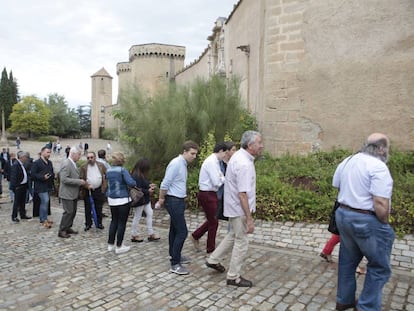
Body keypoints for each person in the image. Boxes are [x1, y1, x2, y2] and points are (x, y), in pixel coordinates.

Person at [333, 133, 394, 311]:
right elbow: (381, 203)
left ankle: (343, 301)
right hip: (366, 219)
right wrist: (385, 224)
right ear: (382, 149)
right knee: (379, 267)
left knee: (347, 262)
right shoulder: (378, 167)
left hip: (343, 215)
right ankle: (367, 306)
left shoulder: (348, 160)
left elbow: (337, 184)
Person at [205, 130, 264, 287]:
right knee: (242, 240)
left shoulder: (238, 156)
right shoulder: (244, 164)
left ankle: (213, 259)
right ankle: (233, 276)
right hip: (239, 210)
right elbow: (243, 194)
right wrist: (249, 219)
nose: (261, 146)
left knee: (233, 234)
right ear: (250, 145)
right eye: (259, 143)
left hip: (233, 207)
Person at [158, 140, 199, 275]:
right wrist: (161, 198)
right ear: (185, 152)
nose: (194, 156)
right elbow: (165, 183)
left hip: (178, 199)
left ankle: (174, 255)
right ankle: (175, 264)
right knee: (182, 231)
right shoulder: (176, 163)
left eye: (196, 154)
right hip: (173, 200)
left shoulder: (182, 164)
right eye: (192, 153)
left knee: (174, 230)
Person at [191, 142, 227, 254]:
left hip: (210, 193)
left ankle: (196, 235)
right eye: (225, 153)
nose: (225, 156)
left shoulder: (215, 161)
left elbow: (220, 177)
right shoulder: (212, 162)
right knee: (214, 222)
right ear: (220, 151)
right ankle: (210, 249)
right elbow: (217, 181)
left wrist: (221, 178)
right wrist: (222, 179)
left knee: (212, 220)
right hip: (207, 194)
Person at [106, 152, 136, 254]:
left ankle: (110, 245)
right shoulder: (122, 170)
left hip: (111, 199)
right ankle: (119, 246)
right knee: (121, 223)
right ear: (122, 161)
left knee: (114, 221)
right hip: (123, 199)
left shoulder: (108, 170)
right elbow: (131, 183)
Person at [57, 146, 86, 238]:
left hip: (73, 193)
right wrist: (79, 182)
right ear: (73, 154)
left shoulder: (73, 163)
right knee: (68, 212)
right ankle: (62, 230)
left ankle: (68, 227)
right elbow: (64, 179)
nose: (80, 157)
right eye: (79, 155)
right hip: (67, 193)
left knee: (73, 212)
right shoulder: (66, 163)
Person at [130, 158, 159, 243]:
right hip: (140, 200)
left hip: (145, 199)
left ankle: (151, 233)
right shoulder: (136, 176)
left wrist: (150, 185)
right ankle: (134, 234)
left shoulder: (140, 174)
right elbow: (137, 189)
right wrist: (148, 190)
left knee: (149, 213)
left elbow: (144, 184)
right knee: (137, 216)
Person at [80, 151, 107, 231]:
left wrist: (104, 185)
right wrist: (87, 185)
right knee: (88, 208)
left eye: (92, 157)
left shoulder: (101, 165)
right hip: (88, 190)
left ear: (95, 157)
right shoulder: (83, 167)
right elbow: (81, 179)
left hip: (99, 189)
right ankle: (88, 224)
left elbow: (106, 175)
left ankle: (99, 223)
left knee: (99, 207)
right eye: (88, 158)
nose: (90, 159)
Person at [31, 146, 55, 228]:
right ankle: (43, 219)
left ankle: (44, 218)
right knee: (45, 201)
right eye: (47, 152)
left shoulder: (49, 162)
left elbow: (51, 172)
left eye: (50, 152)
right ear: (42, 152)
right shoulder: (36, 163)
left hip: (48, 185)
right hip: (40, 186)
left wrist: (52, 176)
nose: (49, 154)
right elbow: (33, 175)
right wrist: (42, 177)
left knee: (46, 202)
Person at [217, 141, 237, 221]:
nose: (235, 152)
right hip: (220, 193)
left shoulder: (234, 163)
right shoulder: (219, 163)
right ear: (227, 151)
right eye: (233, 150)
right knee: (215, 218)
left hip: (230, 193)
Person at [10, 151, 32, 222]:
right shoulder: (16, 165)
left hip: (23, 185)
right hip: (18, 186)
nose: (26, 158)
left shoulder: (21, 164)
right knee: (17, 202)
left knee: (23, 202)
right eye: (25, 157)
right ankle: (14, 216)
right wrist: (15, 187)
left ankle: (23, 215)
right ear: (21, 157)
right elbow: (13, 177)